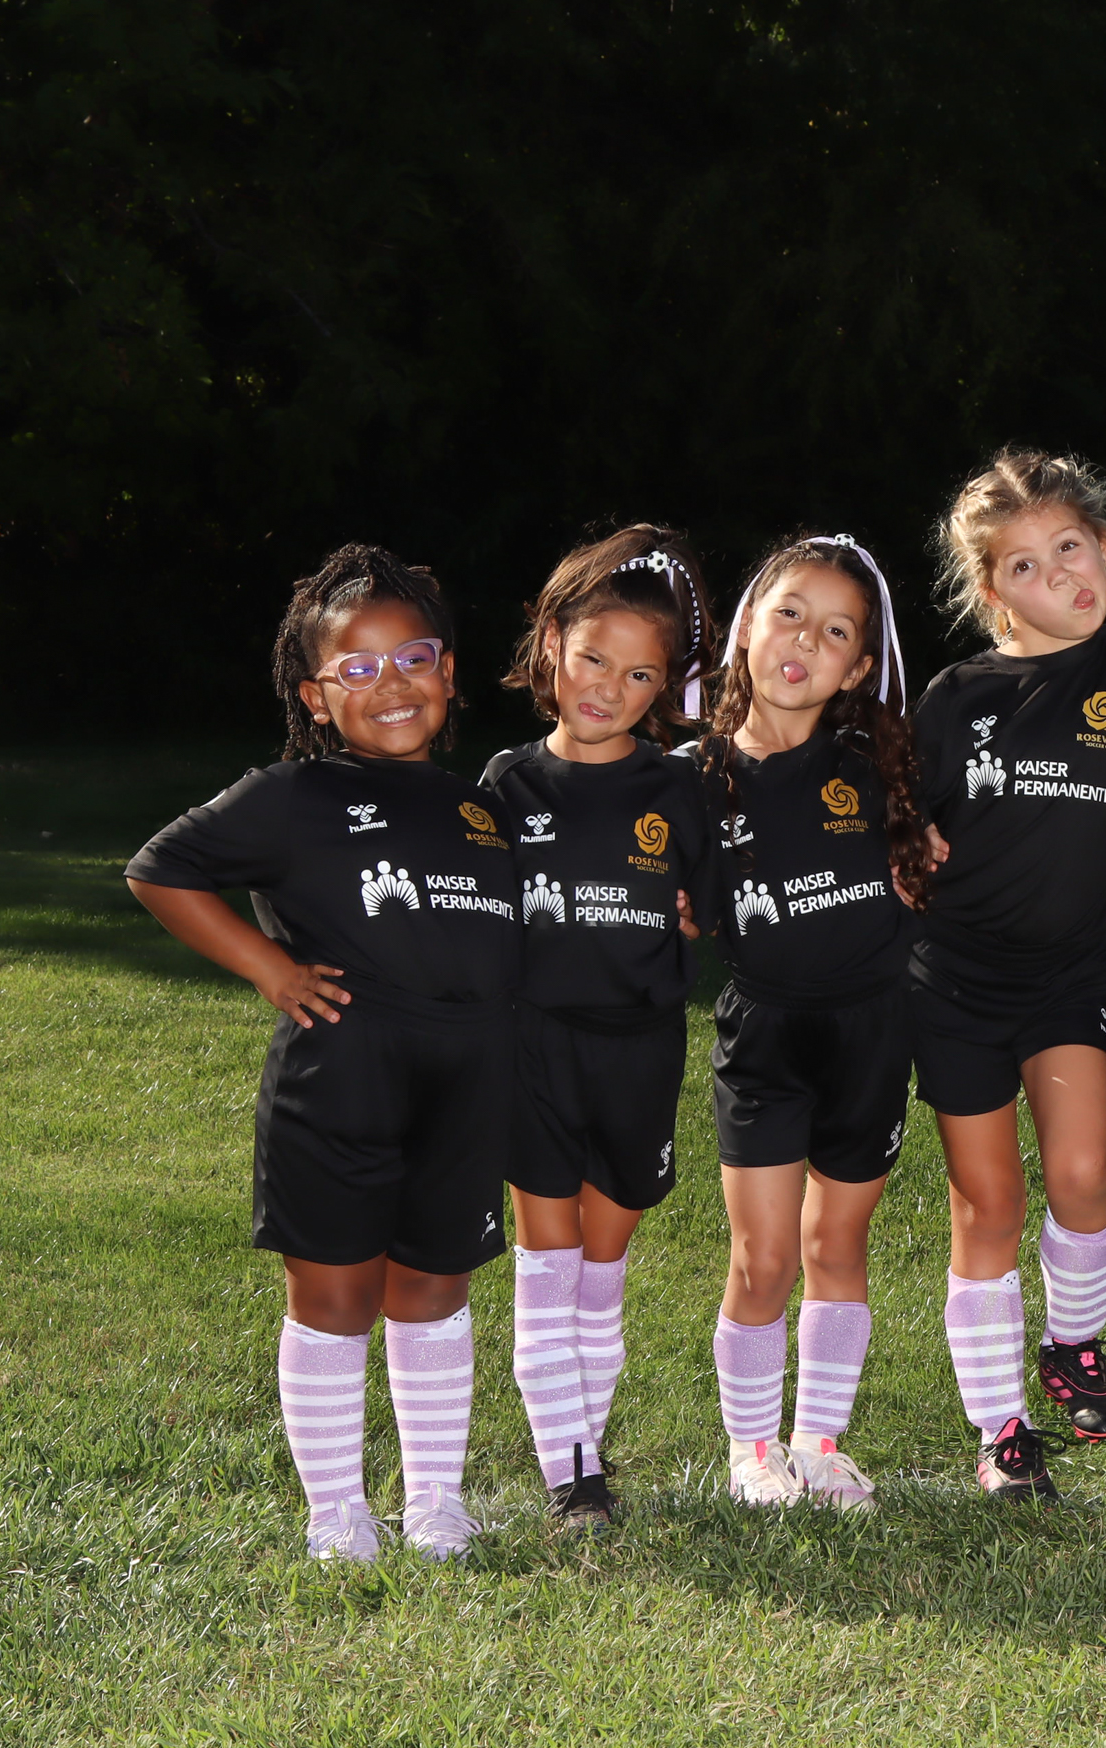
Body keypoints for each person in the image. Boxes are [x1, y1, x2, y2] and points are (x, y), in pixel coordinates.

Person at [125, 546, 520, 1563]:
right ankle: (337, 1513)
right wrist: (269, 966)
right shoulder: (293, 794)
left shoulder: (482, 809)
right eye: (358, 667)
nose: (392, 683)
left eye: (414, 658)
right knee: (336, 1297)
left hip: (466, 1085)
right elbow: (160, 869)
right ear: (315, 693)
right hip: (340, 1083)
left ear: (448, 672)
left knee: (433, 1290)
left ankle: (435, 1503)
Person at [911, 450, 1106, 1501]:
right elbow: (898, 819)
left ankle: (1073, 1345)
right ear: (992, 590)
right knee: (989, 1204)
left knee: (1085, 1178)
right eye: (1027, 565)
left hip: (1075, 974)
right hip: (954, 980)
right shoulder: (955, 697)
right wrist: (907, 843)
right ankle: (1000, 1429)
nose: (1061, 576)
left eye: (1072, 547)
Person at [480, 526, 715, 1532]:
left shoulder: (680, 788)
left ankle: (586, 1442)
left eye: (638, 674)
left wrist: (695, 910)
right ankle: (573, 1475)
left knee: (601, 1269)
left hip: (641, 1049)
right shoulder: (505, 783)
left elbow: (714, 902)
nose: (608, 687)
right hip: (532, 1045)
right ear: (551, 647)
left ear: (663, 686)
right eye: (591, 659)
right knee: (549, 1255)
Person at [690, 534, 932, 1513]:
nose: (804, 641)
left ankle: (820, 1444)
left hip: (871, 1032)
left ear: (858, 668)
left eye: (835, 632)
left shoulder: (879, 768)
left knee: (836, 1243)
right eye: (789, 613)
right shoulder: (692, 778)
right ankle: (753, 1450)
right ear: (749, 624)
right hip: (765, 1037)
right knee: (763, 1256)